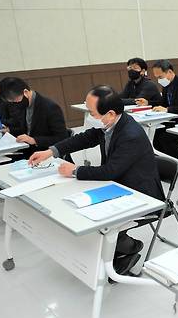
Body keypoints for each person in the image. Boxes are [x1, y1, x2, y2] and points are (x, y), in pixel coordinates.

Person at [28, 86, 165, 276]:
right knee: (79, 210)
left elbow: (110, 171)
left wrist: (75, 170)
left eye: (92, 112)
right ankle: (114, 251)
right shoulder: (112, 124)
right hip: (118, 185)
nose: (90, 115)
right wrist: (51, 151)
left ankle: (131, 247)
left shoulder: (130, 134)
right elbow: (85, 138)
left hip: (141, 193)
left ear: (109, 113)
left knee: (100, 224)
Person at [0, 77, 69, 158]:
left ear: (25, 92)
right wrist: (9, 130)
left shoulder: (49, 107)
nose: (14, 104)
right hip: (28, 150)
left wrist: (34, 140)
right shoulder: (23, 105)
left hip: (46, 153)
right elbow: (27, 129)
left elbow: (62, 138)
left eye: (15, 101)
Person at [144, 59, 178, 159]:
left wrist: (167, 109)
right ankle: (165, 161)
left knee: (165, 138)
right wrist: (148, 103)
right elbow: (163, 103)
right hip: (171, 120)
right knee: (155, 136)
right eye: (157, 78)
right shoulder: (166, 85)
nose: (159, 80)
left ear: (170, 72)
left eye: (160, 77)